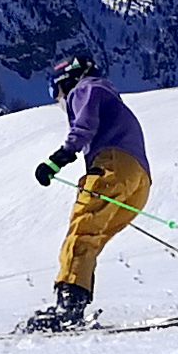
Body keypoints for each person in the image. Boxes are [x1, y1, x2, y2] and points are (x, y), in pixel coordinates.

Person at [23, 54, 149, 331]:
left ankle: (68, 309)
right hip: (138, 181)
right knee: (91, 239)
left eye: (56, 92)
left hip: (113, 166)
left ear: (65, 82)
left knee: (81, 234)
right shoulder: (109, 95)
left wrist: (57, 159)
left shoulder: (86, 88)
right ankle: (75, 303)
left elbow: (84, 126)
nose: (59, 100)